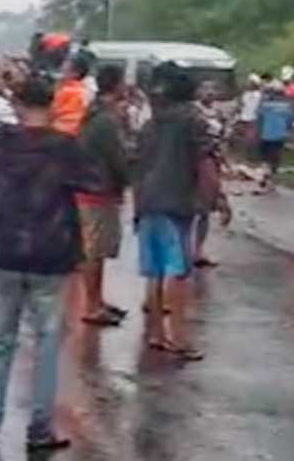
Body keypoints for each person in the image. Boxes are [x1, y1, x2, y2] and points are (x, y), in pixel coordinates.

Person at [0, 72, 105, 458]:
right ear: (50, 107)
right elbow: (96, 182)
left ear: (16, 105)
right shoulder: (64, 148)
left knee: (0, 342)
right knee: (47, 342)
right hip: (51, 255)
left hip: (8, 252)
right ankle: (39, 428)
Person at [135, 62, 209, 362]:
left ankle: (155, 334)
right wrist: (212, 199)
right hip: (176, 204)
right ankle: (179, 339)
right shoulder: (194, 121)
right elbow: (204, 163)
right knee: (177, 273)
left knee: (154, 271)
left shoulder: (149, 125)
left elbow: (137, 165)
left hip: (148, 202)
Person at [76, 65, 131, 327]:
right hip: (99, 190)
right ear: (117, 85)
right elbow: (118, 157)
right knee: (95, 252)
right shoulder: (107, 120)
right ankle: (91, 305)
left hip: (90, 186)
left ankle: (96, 300)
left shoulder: (94, 112)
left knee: (94, 250)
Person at [191, 80, 227, 268]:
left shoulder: (219, 114)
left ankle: (198, 250)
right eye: (205, 89)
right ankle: (185, 249)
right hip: (195, 162)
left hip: (212, 160)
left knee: (205, 208)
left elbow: (222, 139)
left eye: (213, 89)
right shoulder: (193, 112)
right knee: (191, 207)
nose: (210, 93)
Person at [256, 81, 294, 192]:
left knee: (265, 158)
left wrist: (258, 132)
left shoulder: (264, 106)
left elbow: (259, 118)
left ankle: (265, 173)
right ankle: (271, 181)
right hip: (279, 136)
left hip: (265, 135)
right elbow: (290, 121)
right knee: (275, 159)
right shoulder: (287, 107)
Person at [50, 56, 91, 136]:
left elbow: (51, 111)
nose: (59, 75)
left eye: (64, 71)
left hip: (59, 132)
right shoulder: (84, 90)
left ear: (76, 73)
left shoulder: (66, 91)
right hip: (76, 133)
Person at [235, 73, 263, 159]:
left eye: (250, 82)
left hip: (252, 118)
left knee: (251, 139)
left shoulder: (259, 95)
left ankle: (251, 155)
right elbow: (241, 105)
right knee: (243, 138)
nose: (247, 84)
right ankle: (244, 155)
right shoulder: (246, 94)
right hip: (244, 118)